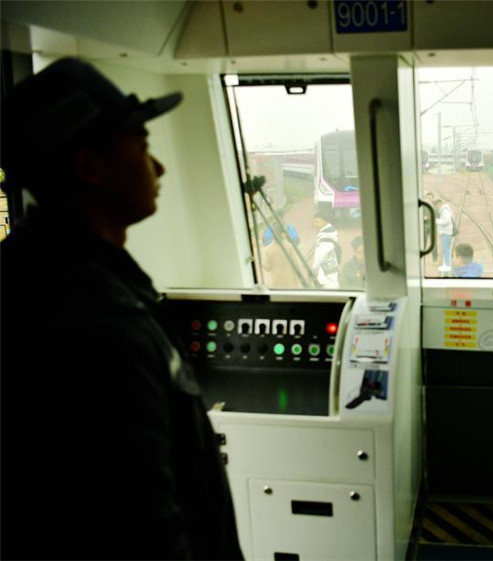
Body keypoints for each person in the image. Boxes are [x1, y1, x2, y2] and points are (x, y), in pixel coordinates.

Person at [0, 58, 243, 559]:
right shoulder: (91, 324)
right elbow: (140, 530)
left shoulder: (51, 277)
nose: (159, 167)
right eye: (142, 145)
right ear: (90, 166)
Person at [312, 211, 341, 289]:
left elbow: (320, 256)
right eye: (314, 222)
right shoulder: (328, 234)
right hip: (330, 269)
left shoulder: (326, 238)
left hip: (326, 272)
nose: (315, 224)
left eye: (317, 221)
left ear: (324, 221)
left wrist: (314, 269)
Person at [434, 197, 456, 273]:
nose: (437, 207)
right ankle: (446, 265)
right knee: (445, 249)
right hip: (446, 232)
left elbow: (446, 221)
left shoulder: (445, 210)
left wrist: (436, 221)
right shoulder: (444, 210)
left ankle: (447, 266)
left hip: (446, 232)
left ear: (440, 203)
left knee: (446, 249)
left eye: (437, 205)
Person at [423, 192, 439, 264]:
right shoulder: (423, 206)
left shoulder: (435, 206)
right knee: (423, 244)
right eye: (428, 198)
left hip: (433, 227)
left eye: (430, 198)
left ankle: (435, 260)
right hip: (425, 228)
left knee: (434, 244)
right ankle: (422, 260)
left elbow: (438, 215)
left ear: (432, 198)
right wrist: (423, 218)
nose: (429, 199)